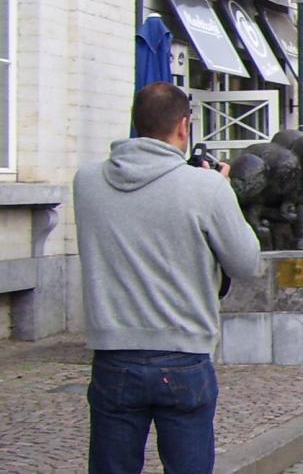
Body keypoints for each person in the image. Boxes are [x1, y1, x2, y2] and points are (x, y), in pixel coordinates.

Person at [75, 82, 263, 473]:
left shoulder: (86, 182)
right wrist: (223, 192)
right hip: (184, 353)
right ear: (183, 126)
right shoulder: (206, 187)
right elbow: (246, 263)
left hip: (114, 354)